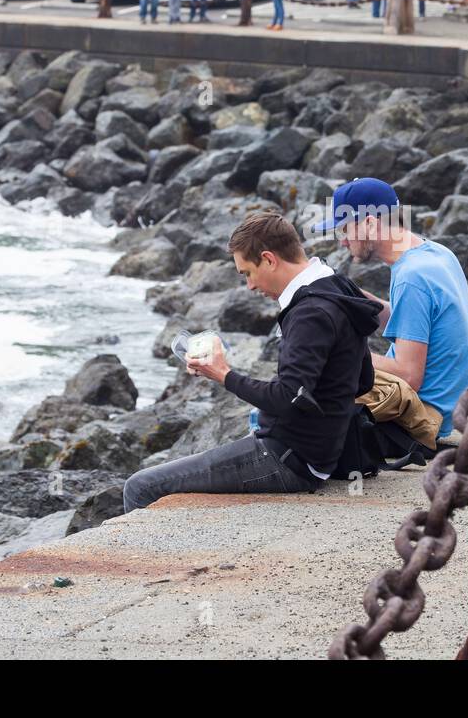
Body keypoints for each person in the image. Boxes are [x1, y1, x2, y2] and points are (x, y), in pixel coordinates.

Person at [121, 212, 382, 512]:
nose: (249, 286)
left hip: (290, 459)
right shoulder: (336, 286)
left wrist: (223, 374)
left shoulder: (310, 312)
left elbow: (287, 398)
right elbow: (364, 380)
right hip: (320, 452)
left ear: (269, 259)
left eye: (247, 273)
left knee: (141, 486)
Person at [312, 178, 468, 446]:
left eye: (344, 229)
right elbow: (420, 321)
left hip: (426, 417)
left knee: (291, 407)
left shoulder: (412, 277)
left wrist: (344, 350)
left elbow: (409, 375)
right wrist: (357, 301)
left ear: (369, 224)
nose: (342, 242)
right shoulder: (435, 253)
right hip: (454, 403)